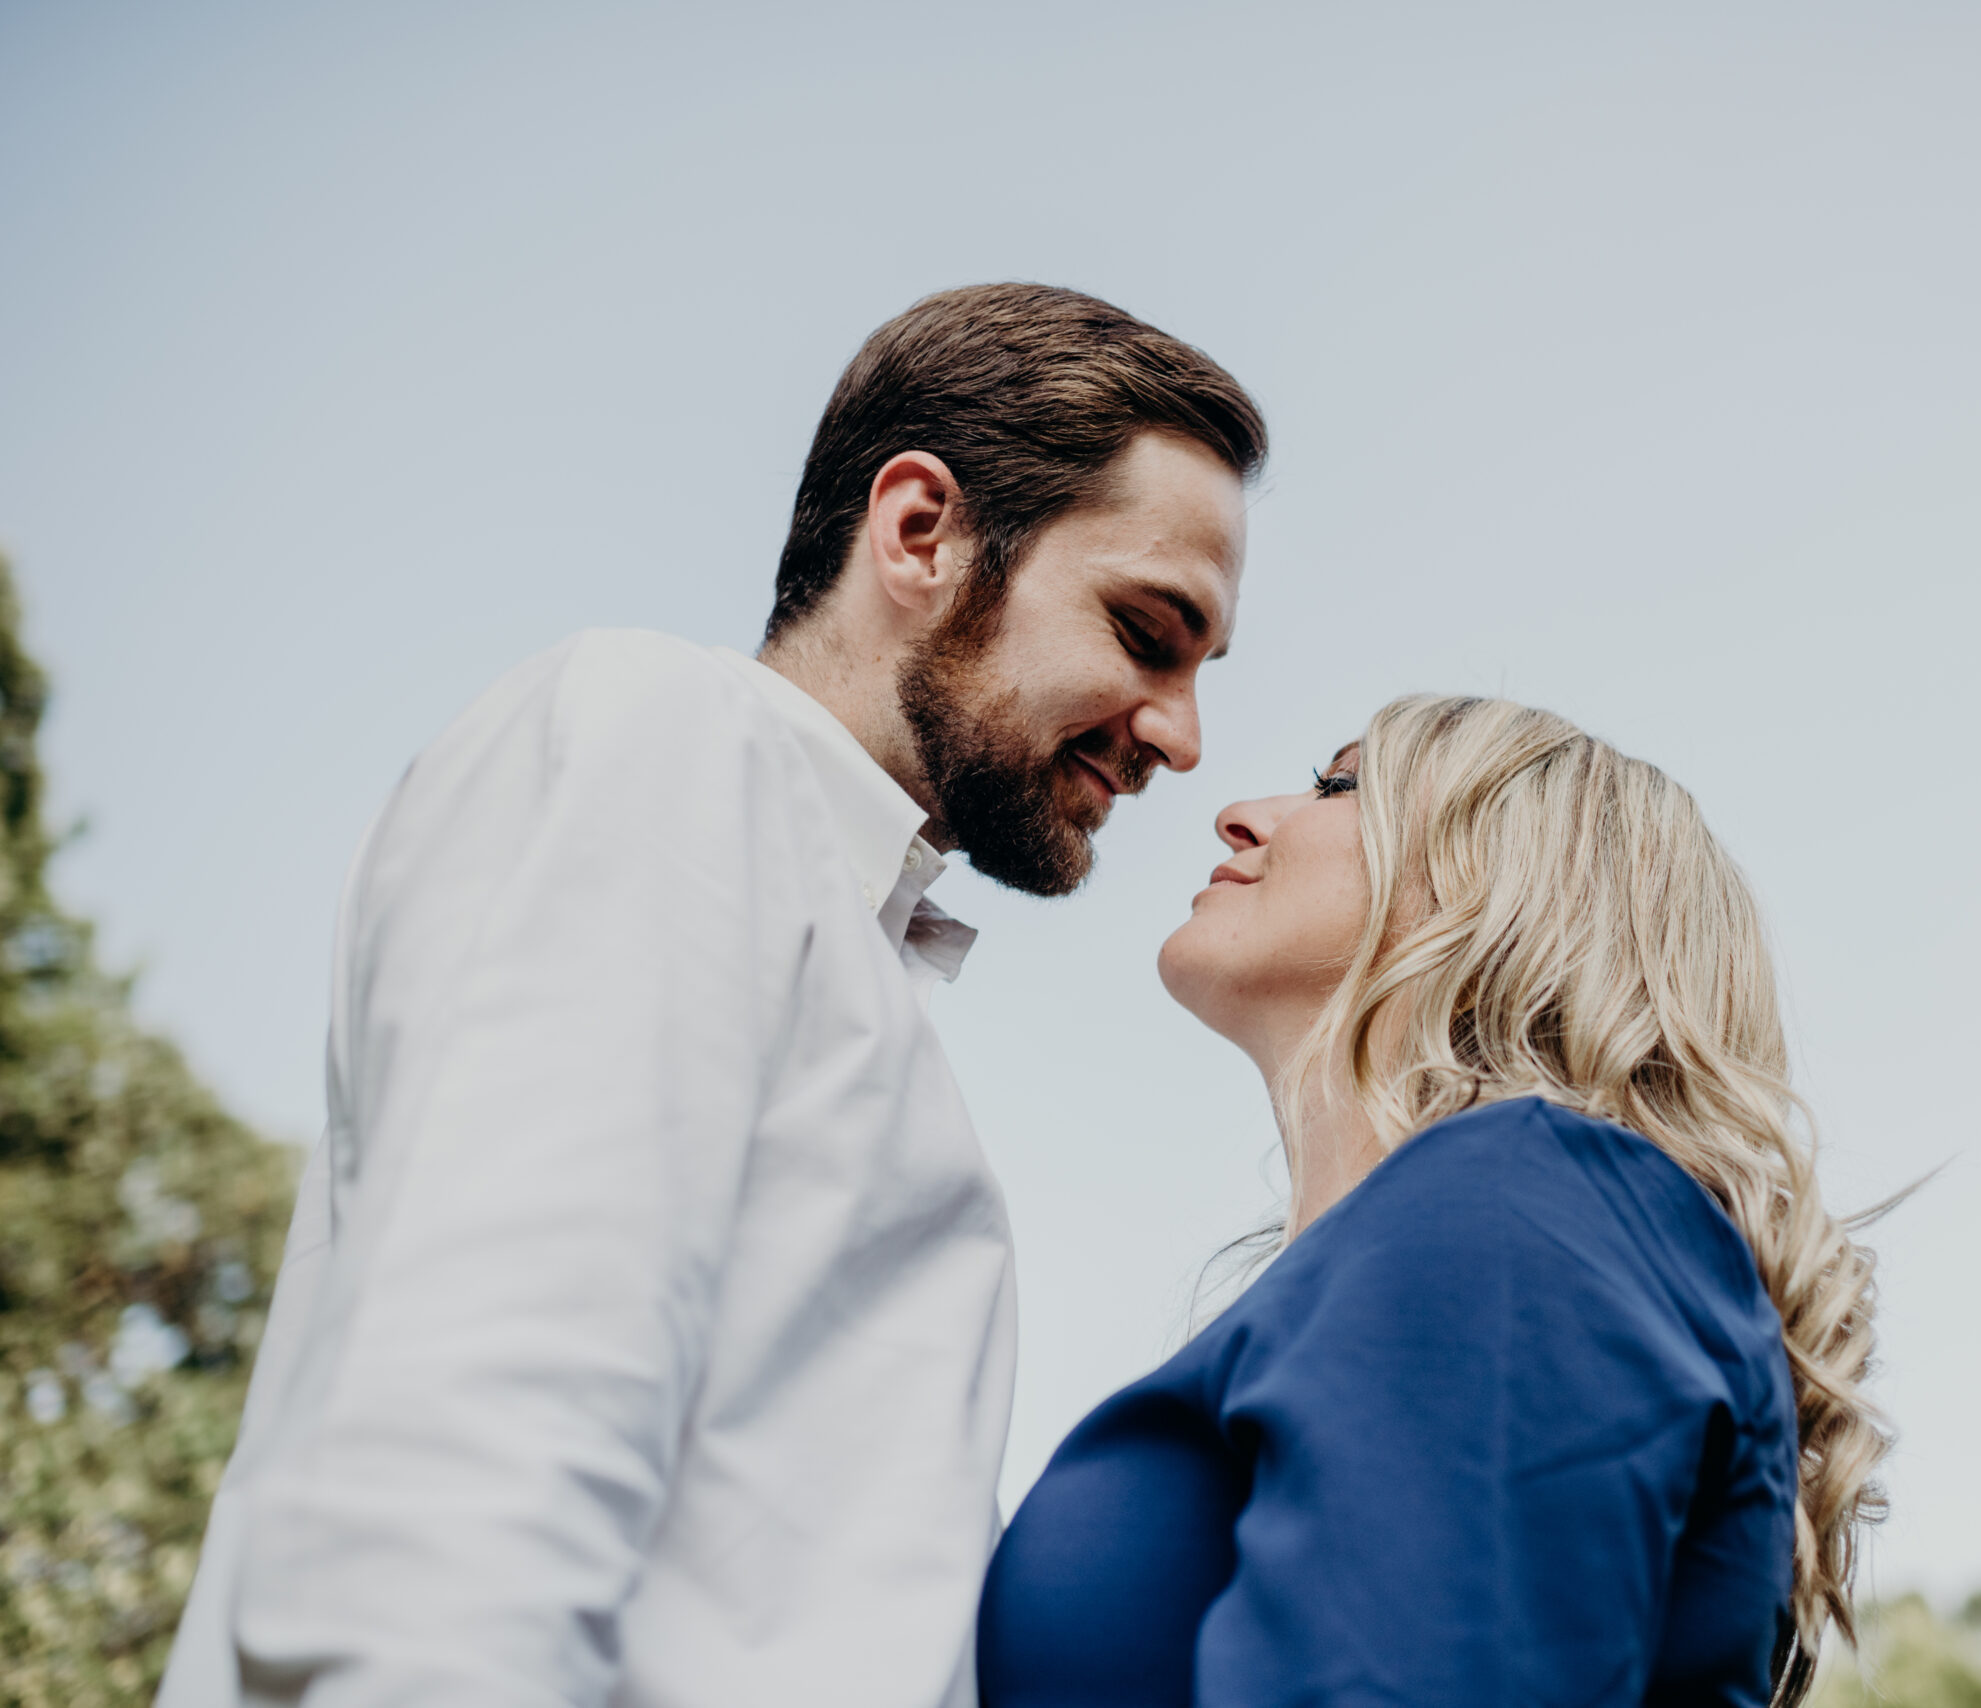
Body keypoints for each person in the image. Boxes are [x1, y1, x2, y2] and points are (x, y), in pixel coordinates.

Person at [157, 283, 1266, 1708]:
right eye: (1145, 629)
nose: (1181, 734)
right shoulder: (665, 744)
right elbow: (469, 1448)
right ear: (921, 532)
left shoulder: (819, 913)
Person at [978, 694, 1892, 1708]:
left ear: (1502, 888)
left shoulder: (1519, 1203)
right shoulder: (1478, 1237)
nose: (1238, 813)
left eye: (1340, 784)